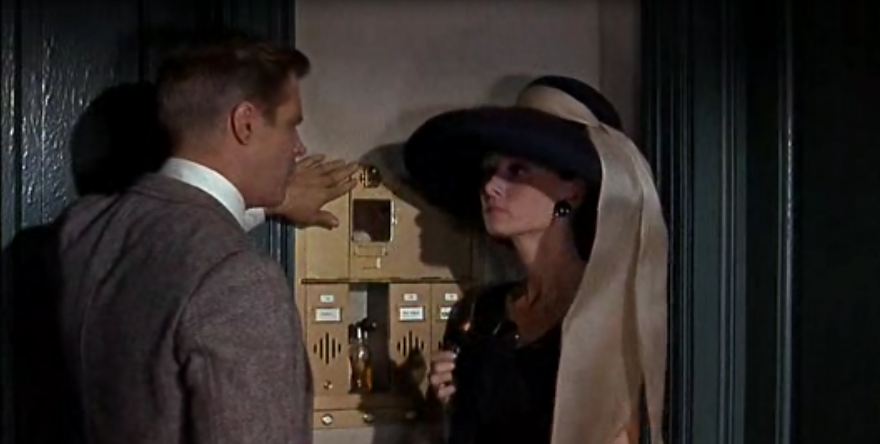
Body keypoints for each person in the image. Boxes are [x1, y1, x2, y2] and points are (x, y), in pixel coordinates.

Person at [55, 35, 355, 443]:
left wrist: (268, 206)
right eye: (291, 125)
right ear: (245, 123)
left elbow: (171, 239)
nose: (298, 149)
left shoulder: (84, 226)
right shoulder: (240, 280)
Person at [404, 76, 668, 444]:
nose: (490, 186)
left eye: (517, 170)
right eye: (489, 171)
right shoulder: (480, 312)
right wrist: (448, 404)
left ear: (572, 191)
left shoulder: (607, 312)